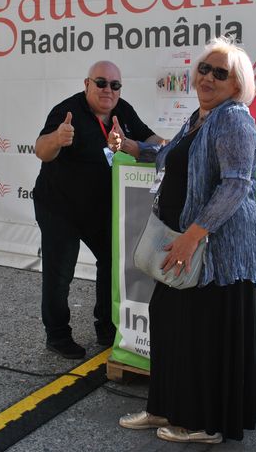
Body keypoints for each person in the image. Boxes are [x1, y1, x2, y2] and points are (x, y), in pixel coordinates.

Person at [119, 38, 256, 444]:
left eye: (220, 73)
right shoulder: (200, 118)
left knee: (204, 335)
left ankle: (204, 423)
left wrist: (193, 236)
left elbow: (236, 184)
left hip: (219, 249)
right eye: (204, 68)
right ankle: (163, 406)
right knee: (169, 323)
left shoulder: (233, 119)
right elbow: (172, 155)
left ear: (237, 85)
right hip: (183, 242)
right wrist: (135, 147)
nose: (208, 78)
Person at [33, 61, 163, 359]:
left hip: (97, 208)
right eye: (101, 83)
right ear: (87, 84)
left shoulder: (123, 110)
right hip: (59, 207)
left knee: (112, 263)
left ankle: (106, 326)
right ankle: (57, 335)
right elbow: (42, 149)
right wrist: (57, 138)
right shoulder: (67, 111)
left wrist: (174, 146)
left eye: (115, 85)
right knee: (59, 272)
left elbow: (150, 139)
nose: (108, 90)